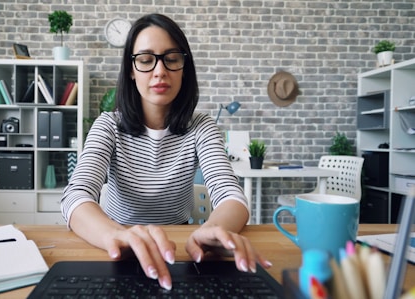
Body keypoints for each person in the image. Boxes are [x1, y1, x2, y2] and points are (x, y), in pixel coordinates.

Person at [60, 13, 271, 291]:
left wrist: (211, 231)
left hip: (179, 247)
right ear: (131, 70)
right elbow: (75, 195)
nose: (160, 71)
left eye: (171, 59)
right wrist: (117, 235)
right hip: (114, 242)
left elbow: (231, 195)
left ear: (184, 67)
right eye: (146, 60)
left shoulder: (201, 126)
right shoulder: (108, 125)